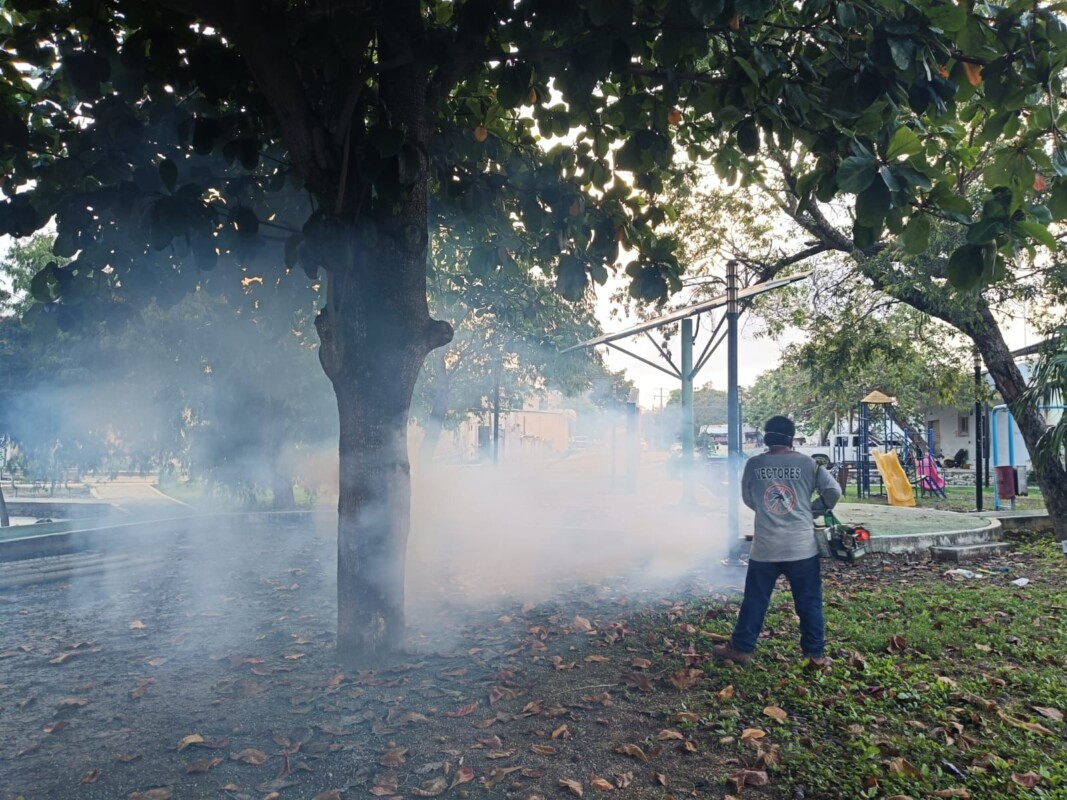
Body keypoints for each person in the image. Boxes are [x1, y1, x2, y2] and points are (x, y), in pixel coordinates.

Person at [713, 415, 841, 669]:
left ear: (766, 437)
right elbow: (834, 491)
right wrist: (812, 509)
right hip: (802, 548)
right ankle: (815, 656)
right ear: (791, 438)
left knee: (755, 600)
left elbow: (748, 497)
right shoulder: (809, 464)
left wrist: (765, 510)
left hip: (765, 548)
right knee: (809, 602)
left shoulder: (754, 464)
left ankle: (741, 649)